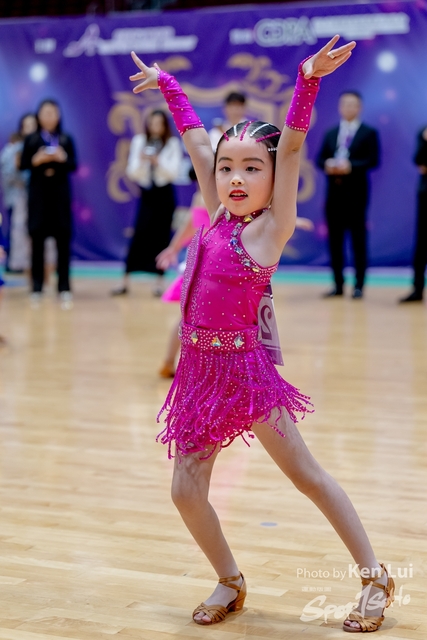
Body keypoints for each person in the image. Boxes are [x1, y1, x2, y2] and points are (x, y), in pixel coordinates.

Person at [129, 37, 395, 634]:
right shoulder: (218, 213)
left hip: (245, 375)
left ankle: (375, 575)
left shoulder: (269, 230)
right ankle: (229, 579)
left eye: (253, 167)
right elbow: (198, 142)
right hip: (198, 374)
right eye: (228, 167)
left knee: (306, 476)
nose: (235, 177)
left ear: (275, 177)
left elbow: (294, 143)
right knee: (185, 491)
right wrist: (170, 86)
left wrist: (307, 81)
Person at [316, 91, 380, 299]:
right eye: (345, 104)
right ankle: (338, 284)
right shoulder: (332, 133)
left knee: (358, 241)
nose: (348, 108)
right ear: (339, 107)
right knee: (335, 241)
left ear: (359, 107)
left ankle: (359, 285)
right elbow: (320, 159)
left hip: (356, 195)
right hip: (334, 195)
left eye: (353, 104)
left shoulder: (368, 133)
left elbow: (373, 160)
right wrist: (328, 164)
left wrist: (350, 166)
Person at [111, 109, 182, 297]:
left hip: (164, 194)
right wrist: (143, 161)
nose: (155, 128)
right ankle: (124, 281)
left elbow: (174, 172)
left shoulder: (172, 143)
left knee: (162, 237)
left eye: (159, 124)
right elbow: (132, 172)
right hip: (147, 193)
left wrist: (158, 162)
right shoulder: (140, 141)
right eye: (152, 123)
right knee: (139, 234)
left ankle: (159, 282)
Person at [20, 99, 77, 306]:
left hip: (60, 198)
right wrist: (36, 160)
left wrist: (62, 158)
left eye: (53, 112)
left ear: (58, 115)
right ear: (39, 116)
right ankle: (37, 287)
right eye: (45, 113)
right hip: (38, 197)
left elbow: (74, 164)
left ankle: (64, 287)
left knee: (63, 243)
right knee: (37, 242)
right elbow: (23, 165)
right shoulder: (32, 139)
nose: (49, 116)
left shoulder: (65, 139)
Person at [157, 167, 211, 378]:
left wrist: (173, 248)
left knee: (190, 318)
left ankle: (170, 362)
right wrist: (173, 248)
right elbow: (191, 224)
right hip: (206, 265)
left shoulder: (201, 196)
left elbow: (190, 224)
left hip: (203, 263)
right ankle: (175, 363)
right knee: (193, 319)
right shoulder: (212, 197)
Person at [0, 113, 37, 273]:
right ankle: (12, 263)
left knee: (32, 232)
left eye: (33, 125)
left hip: (35, 199)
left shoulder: (41, 147)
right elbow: (9, 174)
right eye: (27, 126)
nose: (31, 129)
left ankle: (30, 264)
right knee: (15, 230)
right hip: (16, 198)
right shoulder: (13, 150)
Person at [399, 126, 427, 302]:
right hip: (425, 193)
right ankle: (417, 289)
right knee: (422, 242)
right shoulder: (423, 132)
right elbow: (419, 161)